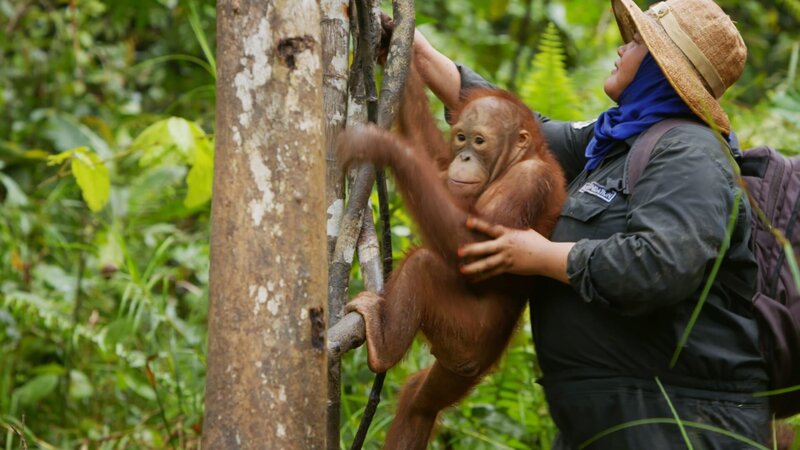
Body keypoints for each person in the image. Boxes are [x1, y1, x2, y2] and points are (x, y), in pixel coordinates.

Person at [410, 0, 770, 448]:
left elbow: (660, 265)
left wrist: (542, 256)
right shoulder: (615, 141)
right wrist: (417, 53)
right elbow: (517, 130)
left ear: (662, 69)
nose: (621, 49)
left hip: (680, 424)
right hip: (612, 423)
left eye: (636, 43)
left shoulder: (689, 153)